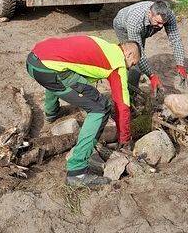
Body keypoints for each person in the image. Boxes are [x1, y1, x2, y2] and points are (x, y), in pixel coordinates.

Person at [26, 35, 140, 186]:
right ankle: (77, 172)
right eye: (133, 63)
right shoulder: (117, 64)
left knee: (64, 72)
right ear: (129, 54)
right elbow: (122, 106)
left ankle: (52, 113)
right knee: (101, 108)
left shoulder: (102, 44)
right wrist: (124, 139)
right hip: (48, 70)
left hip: (33, 60)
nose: (130, 67)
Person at [113, 0, 187, 96]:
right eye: (158, 22)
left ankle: (132, 87)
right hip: (123, 27)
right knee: (133, 60)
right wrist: (152, 76)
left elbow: (175, 39)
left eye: (163, 23)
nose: (161, 26)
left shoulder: (169, 15)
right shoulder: (135, 20)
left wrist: (180, 64)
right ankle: (128, 94)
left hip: (144, 28)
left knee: (138, 60)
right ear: (150, 14)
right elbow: (140, 55)